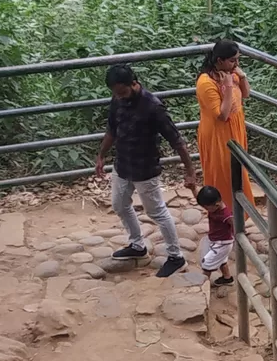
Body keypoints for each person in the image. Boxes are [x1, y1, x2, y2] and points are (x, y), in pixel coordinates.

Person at [92, 63, 199, 278]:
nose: (118, 97)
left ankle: (175, 256)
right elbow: (112, 130)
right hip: (122, 164)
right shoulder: (117, 99)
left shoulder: (153, 107)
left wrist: (190, 170)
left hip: (145, 167)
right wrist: (101, 155)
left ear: (133, 83)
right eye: (115, 93)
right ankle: (136, 244)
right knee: (119, 204)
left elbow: (177, 141)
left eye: (121, 92)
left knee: (156, 212)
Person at [194, 38, 255, 211]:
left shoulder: (232, 72)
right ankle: (224, 215)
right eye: (232, 60)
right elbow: (222, 115)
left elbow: (246, 94)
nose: (236, 64)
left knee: (239, 173)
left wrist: (241, 77)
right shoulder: (206, 82)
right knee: (223, 174)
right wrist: (228, 87)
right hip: (218, 135)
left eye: (238, 59)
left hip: (235, 129)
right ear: (219, 60)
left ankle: (240, 216)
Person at [196, 185, 236, 287]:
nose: (205, 209)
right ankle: (227, 278)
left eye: (206, 207)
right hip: (215, 240)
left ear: (216, 204)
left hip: (223, 243)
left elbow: (235, 224)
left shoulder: (226, 215)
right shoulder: (214, 207)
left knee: (207, 264)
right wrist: (193, 189)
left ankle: (202, 286)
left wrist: (238, 235)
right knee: (222, 261)